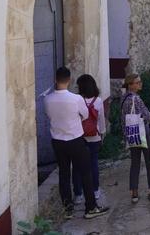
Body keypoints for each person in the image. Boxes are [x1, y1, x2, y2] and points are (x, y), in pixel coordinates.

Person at [43, 67, 110, 219]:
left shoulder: (47, 99)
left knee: (64, 174)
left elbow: (48, 115)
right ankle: (91, 207)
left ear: (55, 80)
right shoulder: (76, 99)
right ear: (69, 80)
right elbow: (85, 116)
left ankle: (67, 209)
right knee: (85, 171)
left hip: (58, 141)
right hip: (75, 140)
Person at [122, 73, 150, 204]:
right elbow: (147, 116)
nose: (140, 84)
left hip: (131, 134)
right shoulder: (136, 99)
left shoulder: (124, 98)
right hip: (143, 133)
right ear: (130, 84)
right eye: (137, 82)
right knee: (149, 162)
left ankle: (134, 192)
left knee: (135, 163)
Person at [72, 74, 106, 206]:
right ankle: (95, 191)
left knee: (77, 166)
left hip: (79, 137)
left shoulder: (77, 100)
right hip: (94, 136)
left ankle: (78, 194)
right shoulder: (98, 101)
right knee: (93, 164)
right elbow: (101, 120)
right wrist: (102, 134)